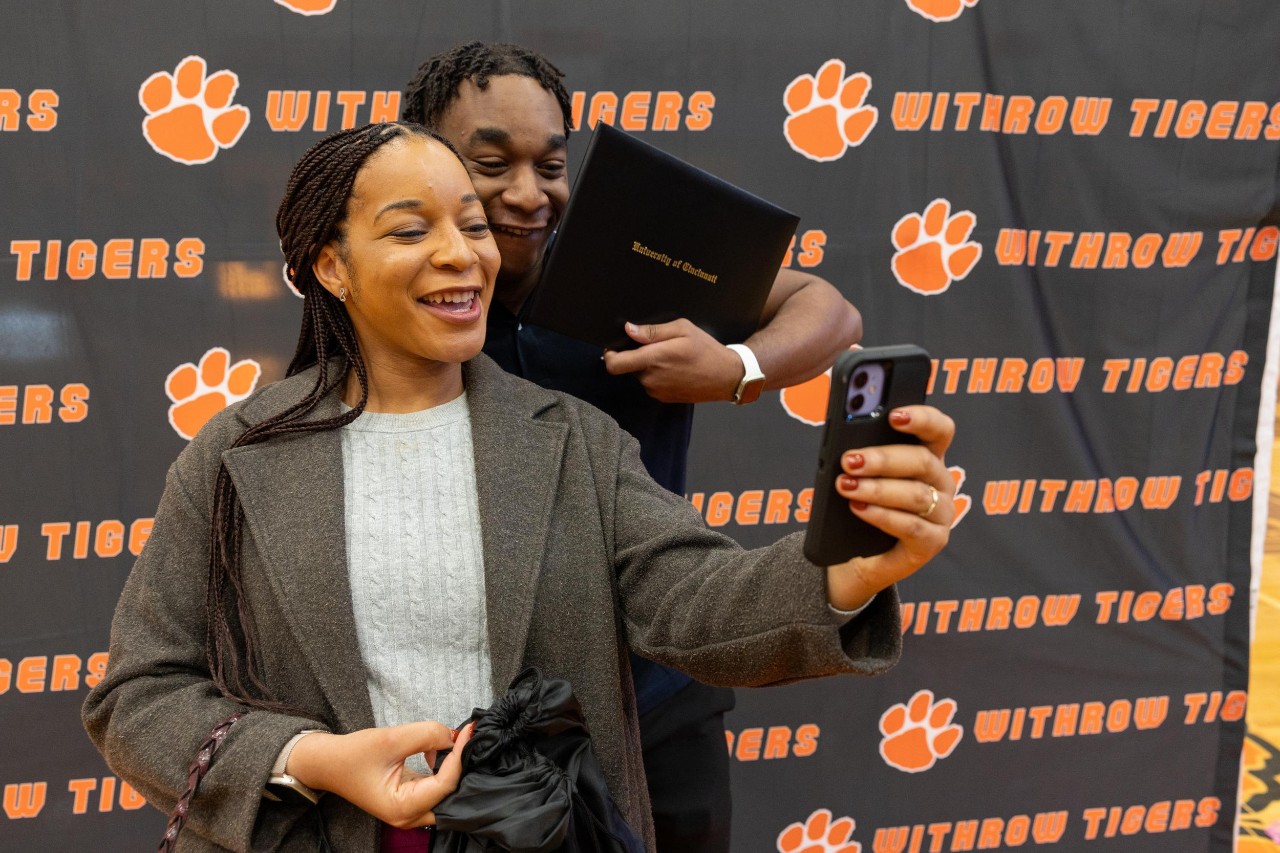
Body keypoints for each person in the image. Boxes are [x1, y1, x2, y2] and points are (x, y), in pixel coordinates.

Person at [82, 122, 956, 853]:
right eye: (409, 230)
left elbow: (693, 599)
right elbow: (139, 695)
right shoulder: (233, 454)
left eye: (471, 226)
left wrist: (851, 564)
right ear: (330, 267)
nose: (461, 255)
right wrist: (307, 756)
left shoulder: (572, 438)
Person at [401, 42, 864, 852]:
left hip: (657, 686)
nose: (526, 192)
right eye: (490, 161)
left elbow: (829, 309)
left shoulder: (631, 254)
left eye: (550, 164)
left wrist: (735, 367)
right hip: (482, 713)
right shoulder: (403, 290)